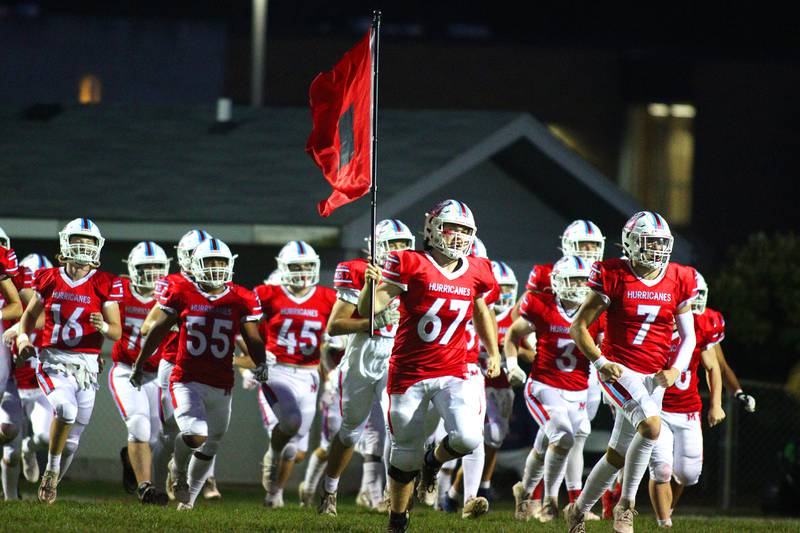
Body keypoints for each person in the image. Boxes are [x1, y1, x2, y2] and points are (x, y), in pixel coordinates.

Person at [359, 199, 501, 533]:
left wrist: (492, 350)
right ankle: (398, 519)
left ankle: (433, 461)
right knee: (403, 453)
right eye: (453, 228)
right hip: (409, 372)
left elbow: (481, 311)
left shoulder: (478, 269)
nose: (458, 237)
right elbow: (371, 309)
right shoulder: (409, 262)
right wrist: (369, 285)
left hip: (452, 371)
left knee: (468, 437)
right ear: (432, 229)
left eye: (466, 231)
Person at [564, 211, 697, 533]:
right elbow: (578, 326)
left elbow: (689, 335)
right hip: (619, 368)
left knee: (618, 453)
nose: (657, 249)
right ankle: (626, 505)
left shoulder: (680, 277)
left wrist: (675, 369)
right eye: (650, 241)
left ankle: (577, 511)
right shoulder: (612, 273)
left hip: (655, 376)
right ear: (630, 242)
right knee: (651, 428)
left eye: (661, 242)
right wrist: (599, 362)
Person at [131, 237, 268, 510]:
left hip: (220, 381)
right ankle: (172, 475)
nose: (216, 268)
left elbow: (252, 337)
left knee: (211, 443)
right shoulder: (180, 289)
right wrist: (140, 361)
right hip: (184, 374)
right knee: (190, 434)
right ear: (194, 263)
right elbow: (155, 329)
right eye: (210, 261)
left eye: (221, 262)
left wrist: (260, 362)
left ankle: (188, 503)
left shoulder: (242, 296)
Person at [16, 218, 123, 504]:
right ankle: (50, 470)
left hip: (87, 366)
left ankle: (51, 488)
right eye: (78, 240)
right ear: (66, 242)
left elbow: (117, 331)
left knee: (73, 439)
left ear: (98, 247)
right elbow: (28, 317)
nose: (84, 246)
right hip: (54, 359)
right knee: (65, 410)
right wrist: (24, 339)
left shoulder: (105, 282)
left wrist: (103, 327)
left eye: (89, 242)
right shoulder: (49, 277)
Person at [316, 219, 413, 516]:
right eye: (392, 243)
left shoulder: (416, 271)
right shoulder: (357, 270)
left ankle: (391, 496)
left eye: (403, 244)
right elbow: (335, 326)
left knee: (396, 426)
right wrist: (370, 323)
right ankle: (329, 490)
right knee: (350, 431)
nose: (399, 250)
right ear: (376, 247)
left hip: (396, 356)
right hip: (362, 355)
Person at [506, 256, 604, 522]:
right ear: (558, 283)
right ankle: (550, 500)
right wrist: (512, 363)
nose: (578, 286)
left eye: (583, 281)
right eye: (573, 280)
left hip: (579, 392)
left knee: (543, 445)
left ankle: (524, 493)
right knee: (562, 438)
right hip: (544, 387)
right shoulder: (542, 306)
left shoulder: (596, 314)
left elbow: (605, 349)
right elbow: (513, 333)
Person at [257, 241, 336, 508]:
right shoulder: (267, 294)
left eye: (307, 266)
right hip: (277, 370)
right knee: (289, 426)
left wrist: (328, 380)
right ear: (283, 268)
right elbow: (239, 325)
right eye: (296, 266)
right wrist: (255, 355)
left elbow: (332, 338)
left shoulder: (327, 297)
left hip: (310, 375)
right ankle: (272, 453)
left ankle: (275, 493)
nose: (302, 271)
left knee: (296, 449)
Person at [648, 271, 726, 527]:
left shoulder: (699, 326)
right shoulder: (649, 328)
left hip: (688, 410)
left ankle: (667, 509)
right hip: (657, 409)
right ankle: (663, 522)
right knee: (661, 469)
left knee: (688, 474)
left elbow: (713, 366)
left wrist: (716, 404)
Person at [109, 242, 171, 504]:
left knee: (157, 439)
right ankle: (146, 488)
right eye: (146, 267)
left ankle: (134, 464)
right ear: (133, 269)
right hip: (126, 370)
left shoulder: (172, 293)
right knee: (138, 425)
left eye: (158, 266)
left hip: (158, 373)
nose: (153, 272)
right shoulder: (119, 290)